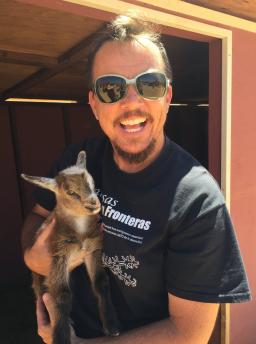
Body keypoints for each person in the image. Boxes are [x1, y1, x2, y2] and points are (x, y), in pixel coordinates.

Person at [22, 14, 251, 344]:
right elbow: (38, 216)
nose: (131, 103)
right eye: (111, 88)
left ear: (167, 97)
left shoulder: (198, 201)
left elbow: (188, 334)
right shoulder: (78, 161)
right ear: (94, 104)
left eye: (150, 84)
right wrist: (34, 254)